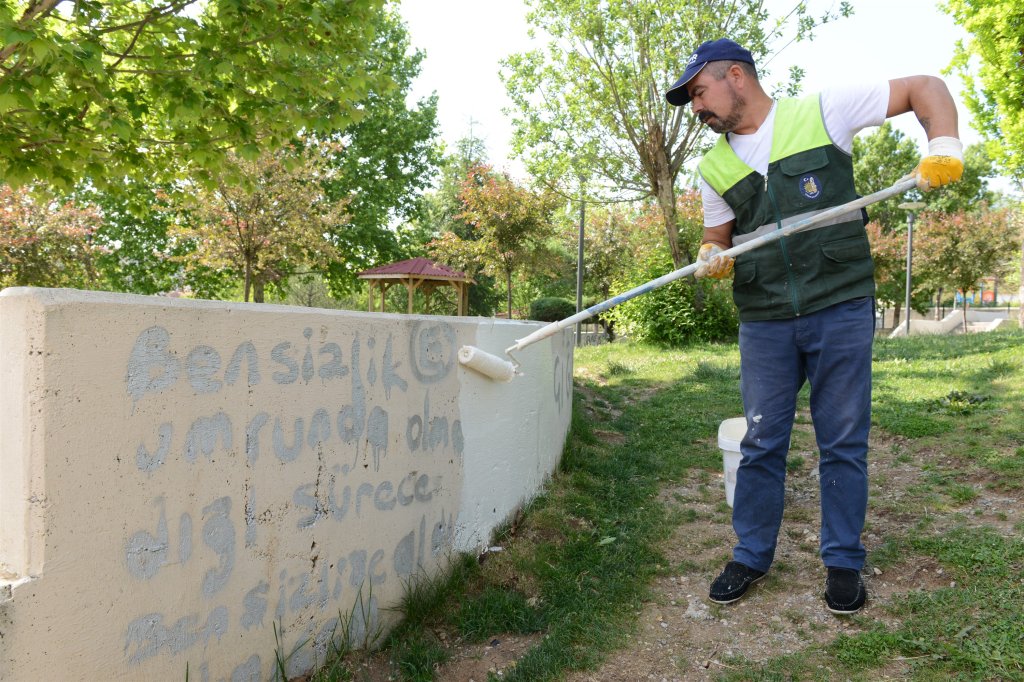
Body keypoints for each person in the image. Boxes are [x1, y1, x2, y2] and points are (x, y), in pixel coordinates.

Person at [665, 38, 962, 614]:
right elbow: (716, 237)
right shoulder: (713, 166)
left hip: (840, 306)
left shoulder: (823, 112)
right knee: (761, 441)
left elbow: (926, 87)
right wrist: (709, 254)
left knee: (843, 444)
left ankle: (843, 562)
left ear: (736, 76)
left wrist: (943, 143)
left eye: (700, 93)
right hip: (766, 320)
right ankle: (751, 555)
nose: (696, 108)